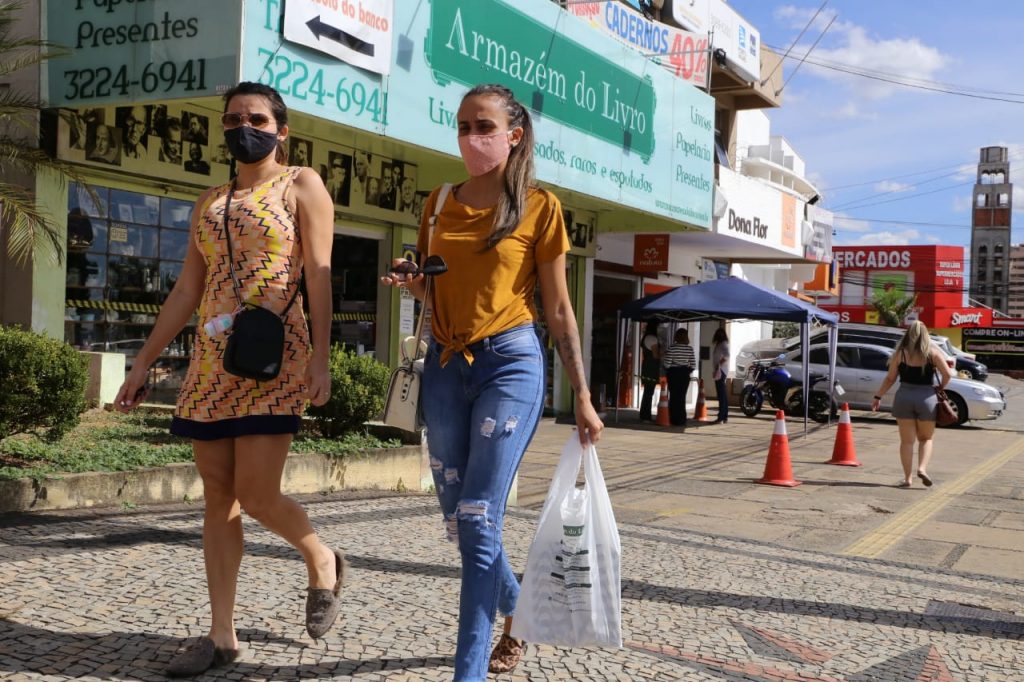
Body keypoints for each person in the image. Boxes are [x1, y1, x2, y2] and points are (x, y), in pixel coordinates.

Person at [113, 81, 340, 677]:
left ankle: (321, 558)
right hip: (213, 362)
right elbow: (189, 288)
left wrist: (321, 356)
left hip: (275, 355)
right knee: (219, 498)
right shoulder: (209, 200)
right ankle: (221, 637)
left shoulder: (302, 185)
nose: (245, 126)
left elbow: (318, 274)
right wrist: (143, 361)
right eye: (234, 118)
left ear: (281, 130)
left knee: (259, 494)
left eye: (258, 118)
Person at [380, 83, 603, 681]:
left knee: (479, 518)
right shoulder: (437, 202)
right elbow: (438, 288)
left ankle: (469, 673)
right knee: (458, 520)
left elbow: (558, 308)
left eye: (482, 126)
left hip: (511, 362)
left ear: (514, 134)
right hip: (447, 368)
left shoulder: (540, 207)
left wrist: (581, 393)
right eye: (461, 126)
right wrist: (414, 284)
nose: (470, 138)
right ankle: (518, 608)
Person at [871, 320, 953, 488]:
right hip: (927, 398)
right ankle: (922, 469)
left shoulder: (900, 354)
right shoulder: (933, 353)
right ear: (926, 335)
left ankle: (907, 479)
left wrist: (878, 396)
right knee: (926, 438)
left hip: (904, 397)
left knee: (907, 442)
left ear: (908, 335)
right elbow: (948, 374)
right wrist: (940, 387)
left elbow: (890, 378)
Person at [662, 328, 695, 428]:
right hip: (684, 375)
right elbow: (693, 365)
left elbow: (667, 364)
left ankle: (674, 418)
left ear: (676, 336)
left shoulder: (672, 348)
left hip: (673, 374)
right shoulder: (690, 349)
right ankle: (682, 419)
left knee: (674, 397)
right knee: (682, 397)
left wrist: (667, 367)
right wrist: (686, 370)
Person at [638, 322, 661, 421]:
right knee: (649, 392)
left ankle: (644, 414)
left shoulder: (645, 337)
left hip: (646, 365)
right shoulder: (653, 339)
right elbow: (656, 355)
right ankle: (646, 415)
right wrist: (664, 353)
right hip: (651, 367)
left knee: (647, 391)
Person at [711, 327, 730, 423]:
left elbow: (727, 355)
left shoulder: (723, 344)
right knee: (722, 394)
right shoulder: (720, 344)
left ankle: (721, 416)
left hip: (721, 371)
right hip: (720, 370)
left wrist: (719, 364)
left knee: (721, 394)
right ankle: (724, 416)